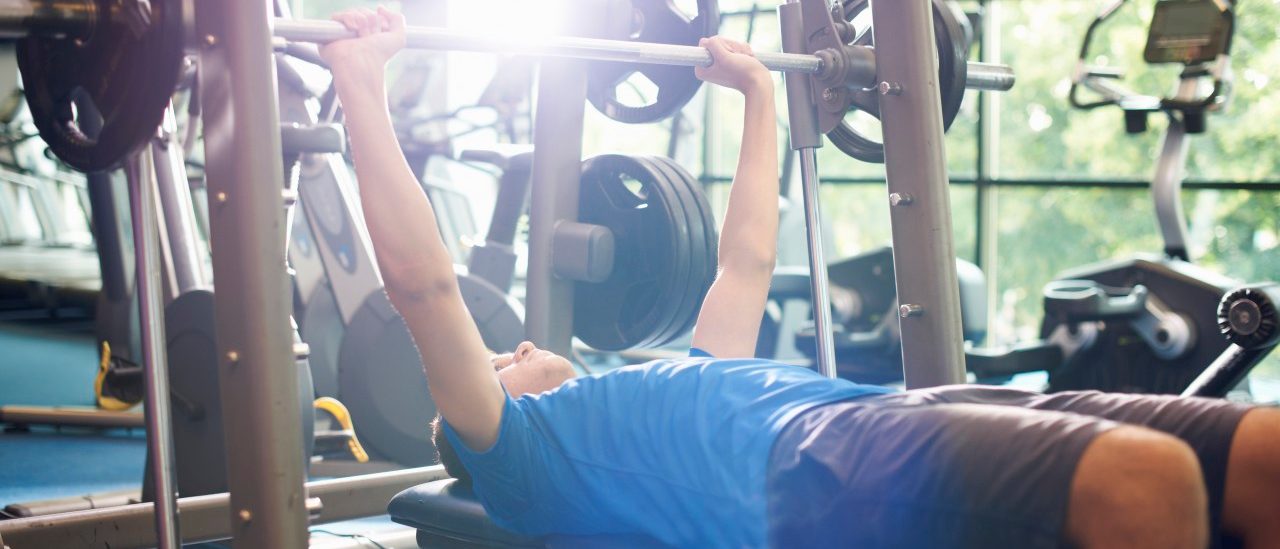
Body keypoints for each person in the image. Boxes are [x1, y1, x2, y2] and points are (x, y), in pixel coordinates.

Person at [319, 8, 1280, 549]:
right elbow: (424, 285)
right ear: (469, 427)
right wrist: (362, 85)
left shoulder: (678, 378)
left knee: (1261, 453)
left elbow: (745, 255)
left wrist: (758, 94)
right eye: (501, 358)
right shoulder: (519, 455)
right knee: (1141, 481)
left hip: (895, 411)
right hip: (813, 471)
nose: (520, 343)